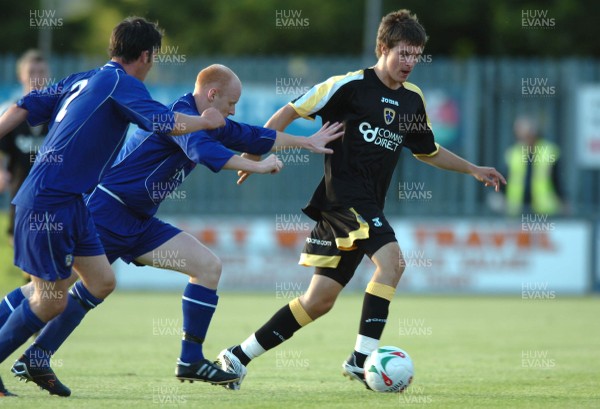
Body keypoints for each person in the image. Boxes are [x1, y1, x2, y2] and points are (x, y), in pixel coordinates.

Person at [0, 64, 343, 396]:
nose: (234, 110)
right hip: (107, 211)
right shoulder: (183, 117)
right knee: (49, 292)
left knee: (207, 267)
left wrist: (306, 142)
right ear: (212, 95)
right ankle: (35, 355)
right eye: (231, 103)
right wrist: (259, 164)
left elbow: (252, 134)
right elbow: (208, 154)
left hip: (140, 222)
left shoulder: (207, 118)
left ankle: (189, 359)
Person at [216, 9, 506, 390]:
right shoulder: (349, 86)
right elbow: (290, 110)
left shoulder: (413, 102)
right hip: (343, 202)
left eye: (416, 55)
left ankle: (236, 358)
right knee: (393, 262)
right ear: (383, 48)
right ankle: (360, 360)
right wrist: (254, 156)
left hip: (366, 208)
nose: (410, 62)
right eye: (403, 53)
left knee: (317, 302)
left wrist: (472, 169)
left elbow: (428, 150)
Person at [0, 16, 228, 397]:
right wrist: (204, 121)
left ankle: (37, 357)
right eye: (153, 57)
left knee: (101, 281)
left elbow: (25, 104)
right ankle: (25, 356)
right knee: (50, 299)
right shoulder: (121, 83)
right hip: (49, 201)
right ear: (144, 55)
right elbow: (165, 122)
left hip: (73, 203)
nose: (152, 64)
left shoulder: (84, 78)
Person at [0, 50, 50, 243]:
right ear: (21, 75)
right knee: (25, 258)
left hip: (53, 198)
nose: (36, 78)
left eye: (41, 72)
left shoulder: (60, 112)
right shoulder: (10, 112)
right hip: (20, 196)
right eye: (31, 72)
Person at [504, 115, 563, 216]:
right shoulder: (513, 153)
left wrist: (563, 201)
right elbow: (505, 179)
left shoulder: (549, 151)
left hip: (544, 211)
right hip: (517, 211)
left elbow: (557, 180)